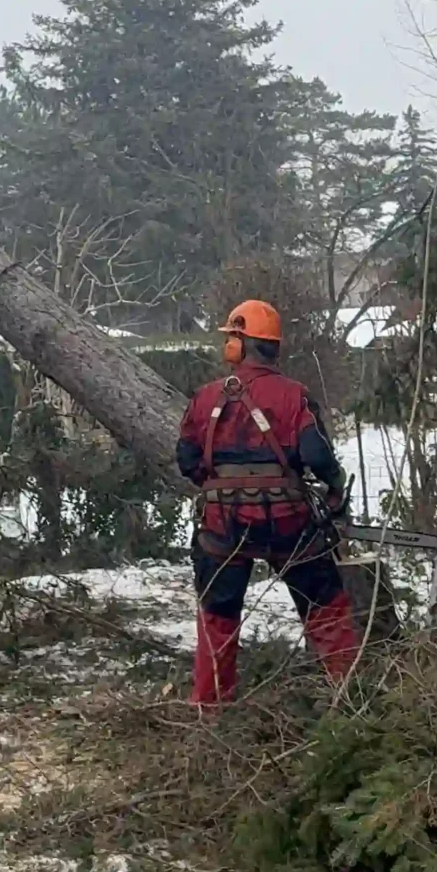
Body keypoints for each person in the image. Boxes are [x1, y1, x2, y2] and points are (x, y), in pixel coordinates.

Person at [176, 299, 361, 706]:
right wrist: (333, 488)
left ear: (239, 345)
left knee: (217, 619)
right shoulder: (295, 396)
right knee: (326, 609)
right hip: (287, 521)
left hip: (224, 527)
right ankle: (351, 700)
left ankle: (210, 712)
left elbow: (186, 460)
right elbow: (316, 455)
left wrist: (221, 486)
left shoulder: (205, 398)